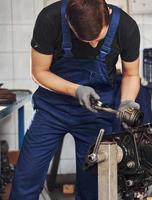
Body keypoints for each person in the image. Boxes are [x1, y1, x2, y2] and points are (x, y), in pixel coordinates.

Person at [9, 0, 140, 199]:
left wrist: (127, 101)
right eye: (87, 40)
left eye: (99, 38)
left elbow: (131, 74)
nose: (94, 44)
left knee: (93, 186)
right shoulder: (50, 19)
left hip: (97, 112)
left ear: (106, 13)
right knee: (26, 178)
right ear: (70, 24)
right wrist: (76, 90)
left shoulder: (126, 26)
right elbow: (39, 72)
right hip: (52, 110)